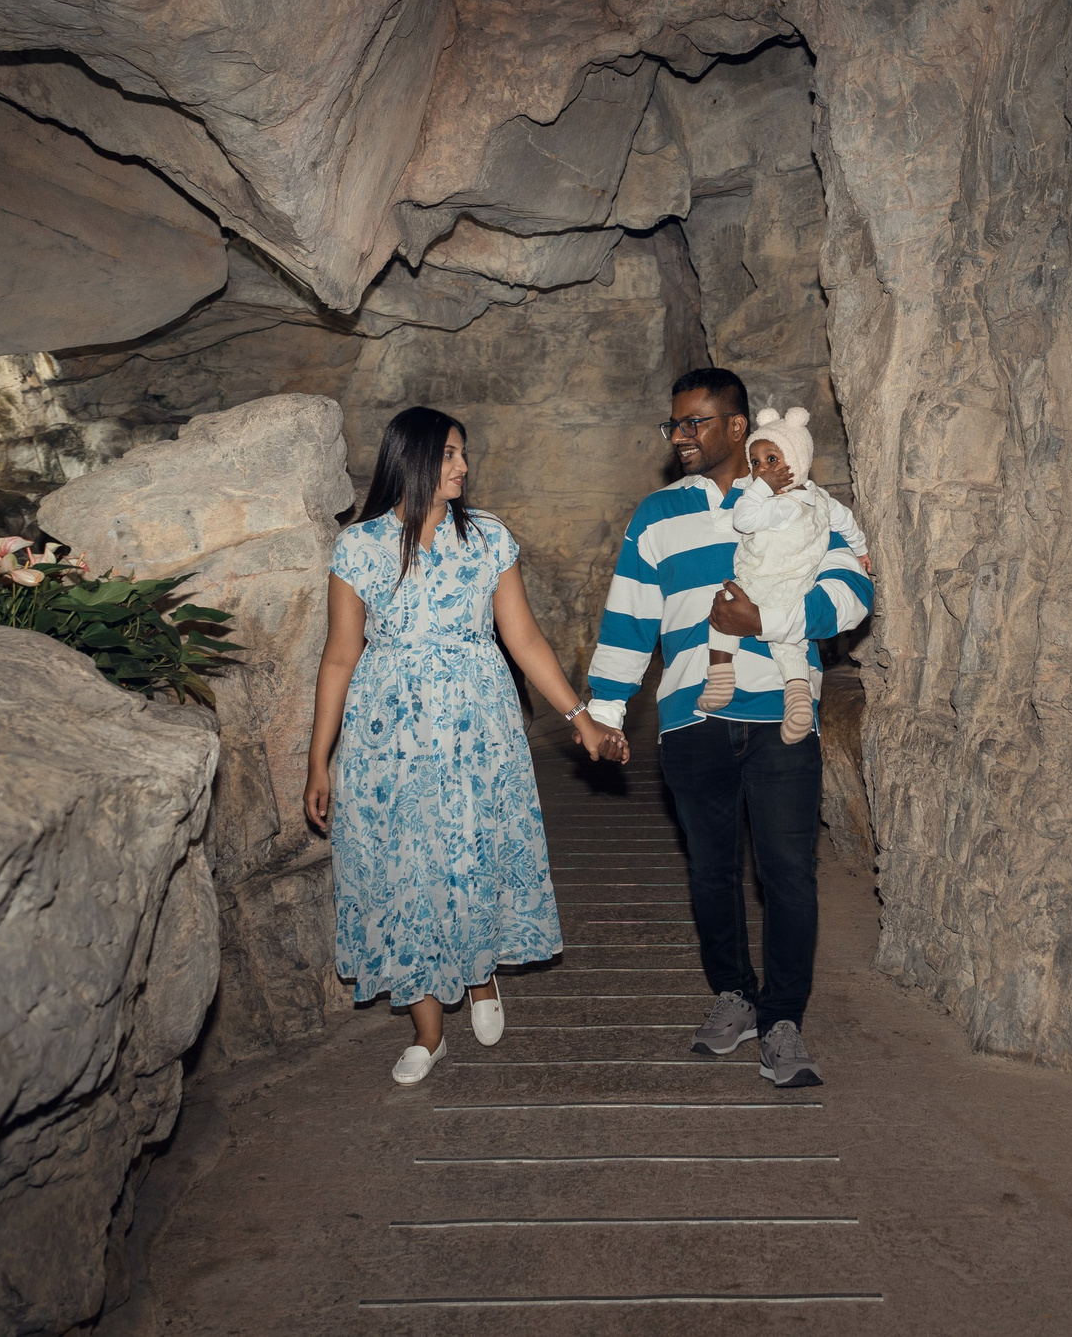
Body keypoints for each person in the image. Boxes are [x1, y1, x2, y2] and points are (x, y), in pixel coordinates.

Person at [305, 406, 629, 1085]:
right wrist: (319, 757)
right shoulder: (360, 547)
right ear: (415, 457)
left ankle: (482, 980)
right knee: (406, 870)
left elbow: (525, 638)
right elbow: (339, 657)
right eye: (450, 452)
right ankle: (427, 1032)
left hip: (478, 728)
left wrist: (580, 716)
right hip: (387, 736)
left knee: (471, 850)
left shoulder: (486, 539)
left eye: (463, 453)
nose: (462, 465)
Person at [585, 368, 873, 1088]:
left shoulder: (809, 504)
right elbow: (628, 620)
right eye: (674, 424)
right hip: (692, 716)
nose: (680, 436)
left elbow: (853, 593)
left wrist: (770, 622)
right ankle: (734, 995)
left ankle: (783, 1019)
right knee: (711, 872)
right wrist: (607, 713)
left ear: (739, 427)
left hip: (782, 712)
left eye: (695, 422)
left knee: (787, 874)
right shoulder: (656, 515)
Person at [693, 406, 847, 743]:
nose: (762, 470)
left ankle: (746, 683)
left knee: (752, 627)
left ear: (797, 459)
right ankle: (760, 688)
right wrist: (861, 547)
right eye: (756, 464)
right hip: (772, 584)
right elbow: (845, 519)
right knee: (760, 631)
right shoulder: (819, 499)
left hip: (772, 582)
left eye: (772, 460)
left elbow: (743, 520)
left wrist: (758, 488)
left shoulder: (770, 502)